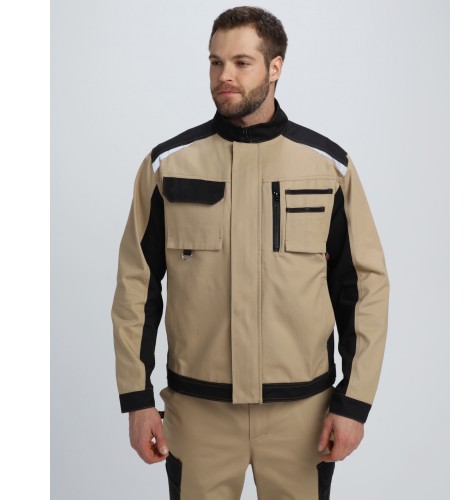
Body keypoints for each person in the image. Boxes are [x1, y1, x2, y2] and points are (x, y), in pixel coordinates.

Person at [111, 6, 390, 499]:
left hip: (302, 415)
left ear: (275, 67)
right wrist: (136, 399)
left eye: (242, 62)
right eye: (216, 62)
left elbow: (364, 289)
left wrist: (354, 402)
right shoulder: (167, 166)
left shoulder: (328, 168)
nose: (225, 76)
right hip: (197, 413)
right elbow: (136, 287)